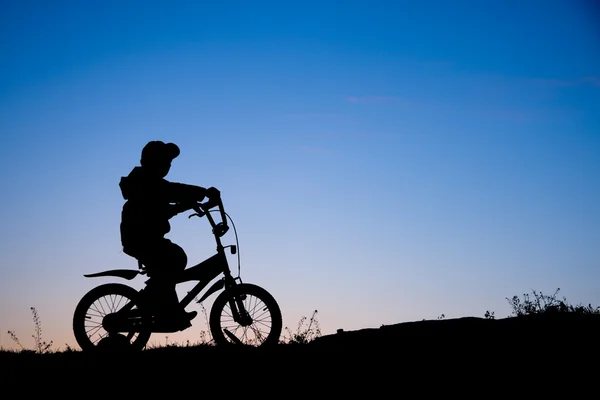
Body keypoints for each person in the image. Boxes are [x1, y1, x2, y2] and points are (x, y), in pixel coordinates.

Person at [118, 140, 219, 329]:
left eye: (169, 163)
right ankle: (167, 310)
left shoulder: (147, 184)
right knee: (174, 257)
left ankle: (166, 306)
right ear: (151, 162)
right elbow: (172, 191)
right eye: (164, 161)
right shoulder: (146, 182)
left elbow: (163, 209)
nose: (167, 166)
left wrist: (187, 205)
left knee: (172, 261)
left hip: (146, 239)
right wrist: (203, 193)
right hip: (141, 240)